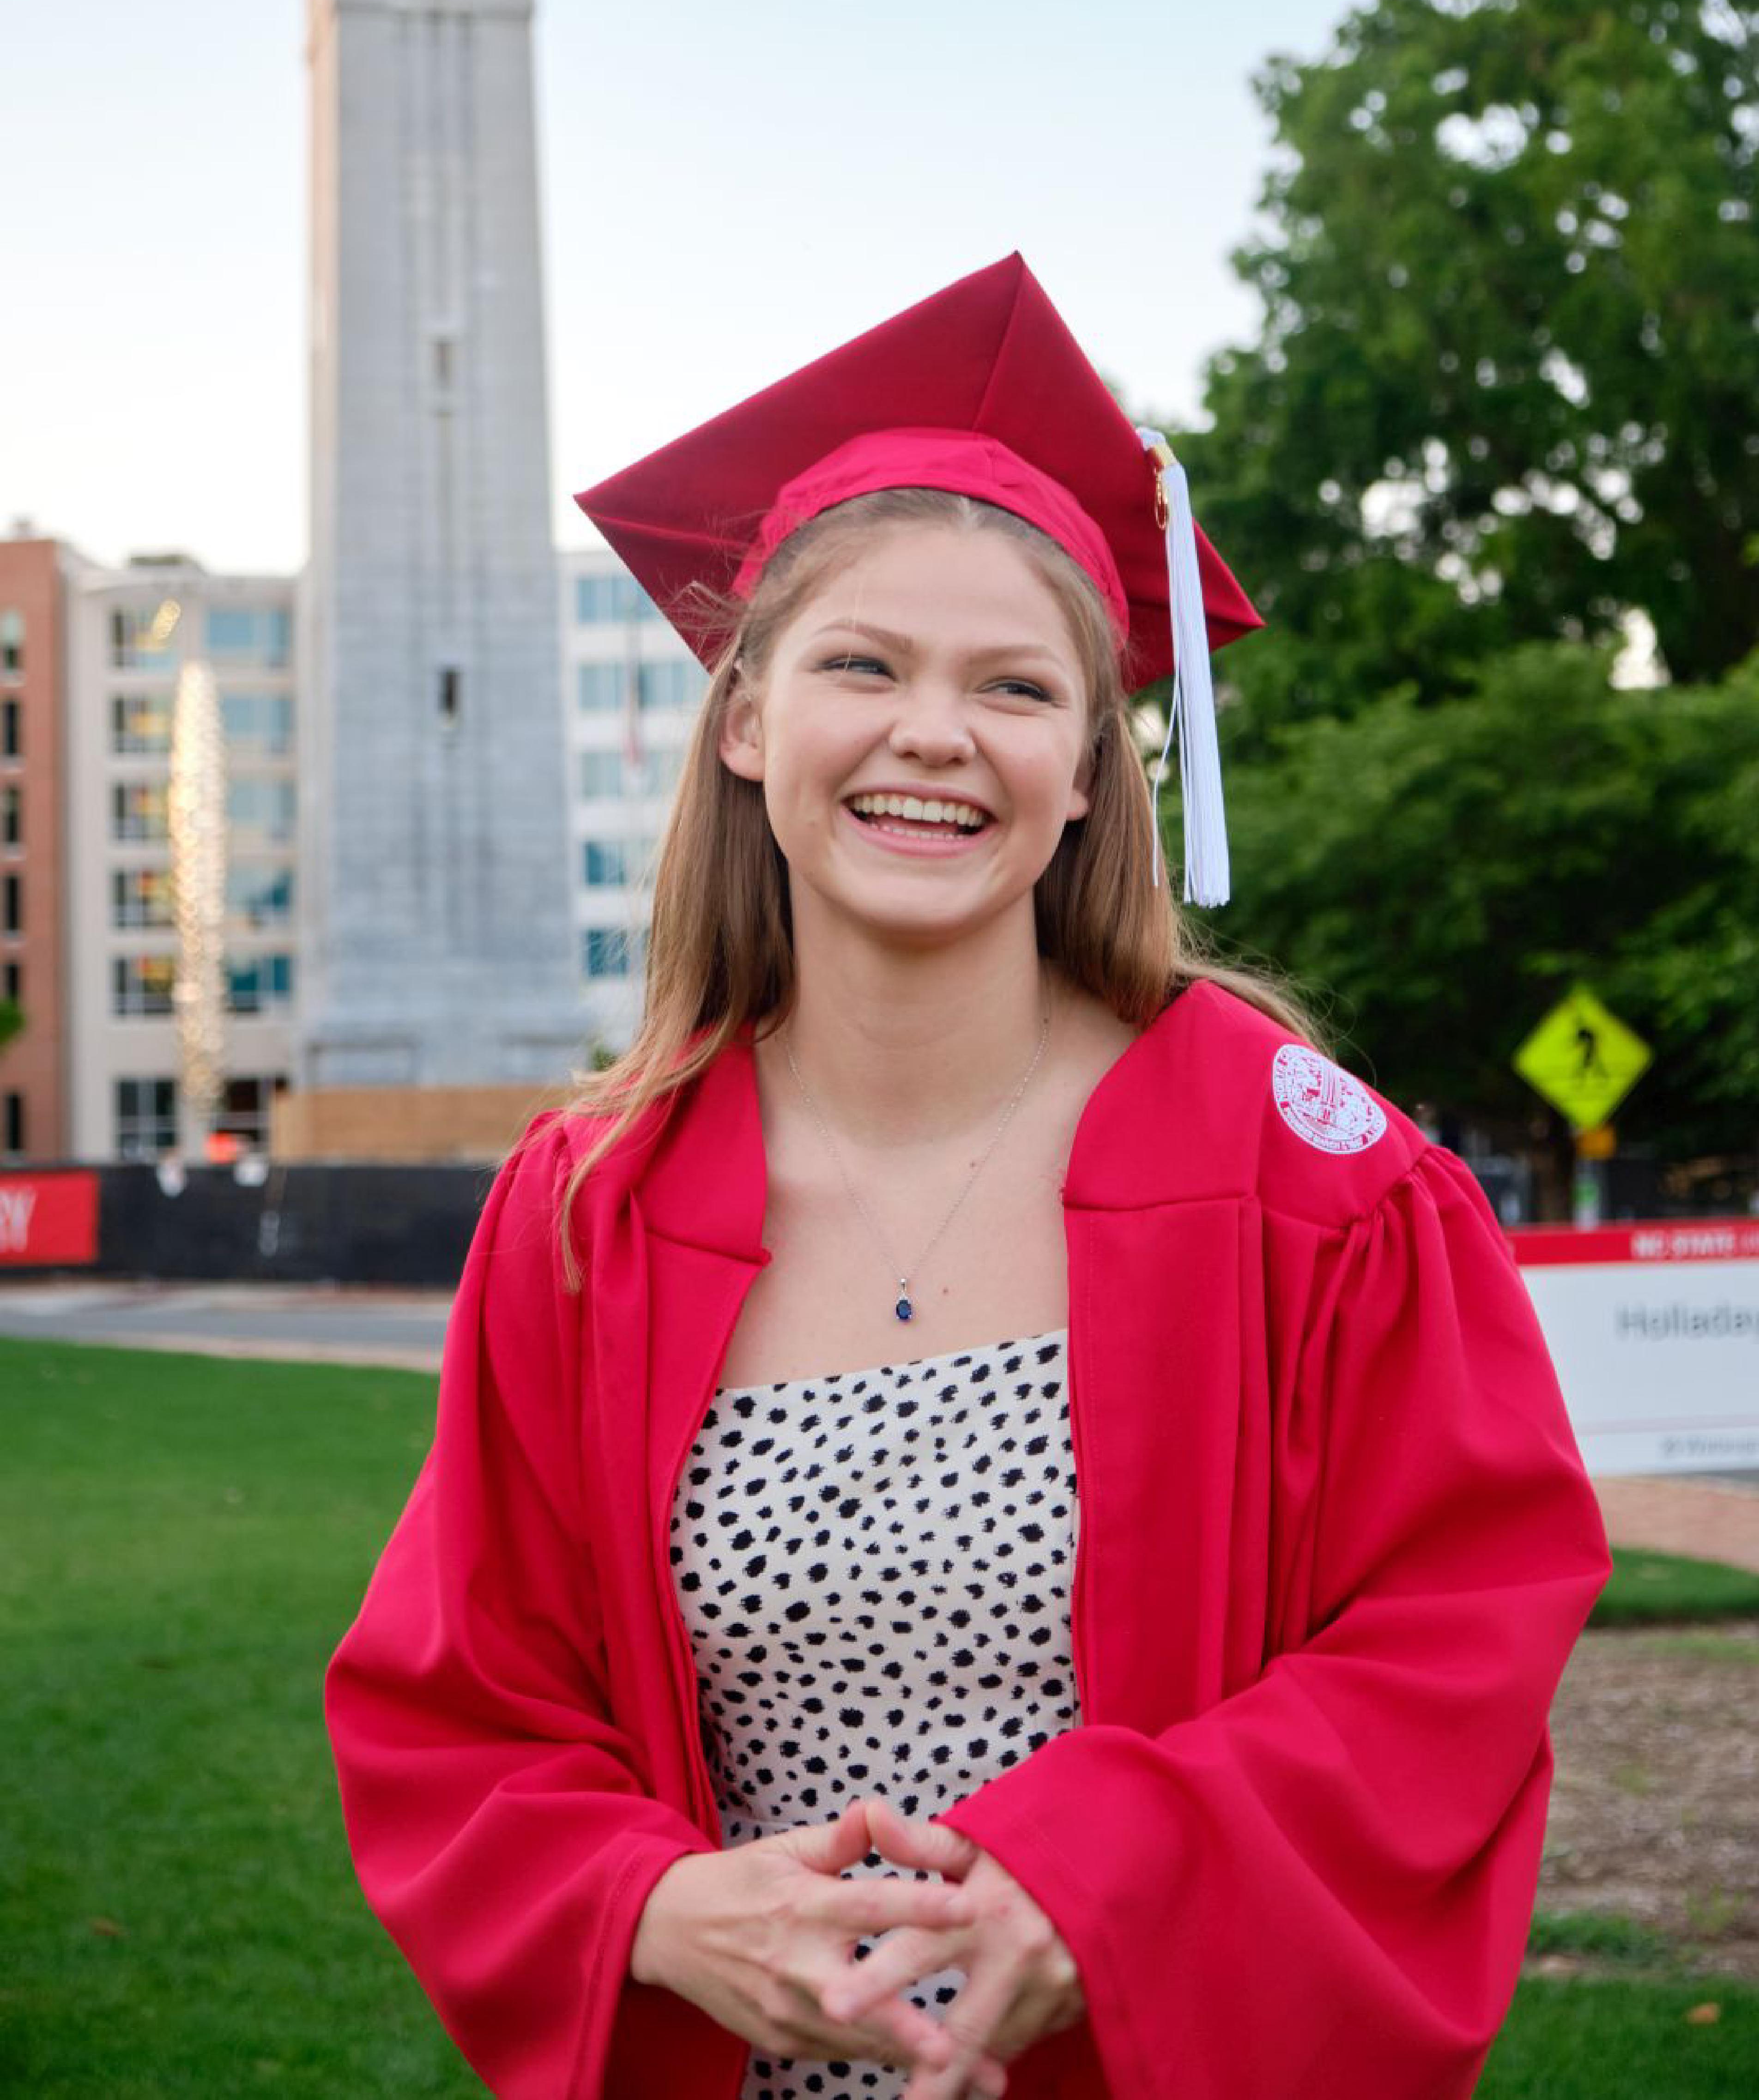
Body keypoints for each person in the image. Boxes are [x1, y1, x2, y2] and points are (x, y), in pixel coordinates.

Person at [325, 254, 1611, 2100]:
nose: (934, 732)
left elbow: (1450, 1646)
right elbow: (462, 1705)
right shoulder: (592, 1210)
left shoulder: (1308, 1181)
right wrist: (652, 1907)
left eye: (1014, 687)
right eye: (862, 665)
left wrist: (1106, 1886)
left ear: (1086, 768)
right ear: (747, 723)